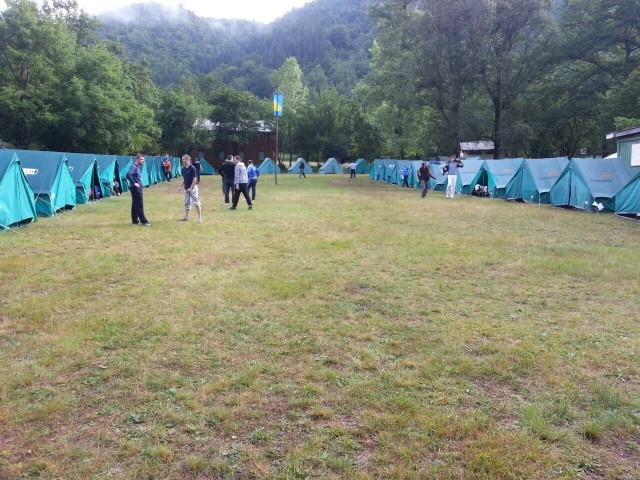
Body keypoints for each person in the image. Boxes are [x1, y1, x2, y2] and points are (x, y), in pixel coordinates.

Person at [126, 153, 151, 226]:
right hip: (136, 189)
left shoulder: (137, 167)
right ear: (137, 159)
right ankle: (144, 221)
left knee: (135, 205)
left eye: (143, 159)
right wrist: (134, 183)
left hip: (137, 188)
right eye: (142, 159)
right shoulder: (133, 166)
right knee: (139, 205)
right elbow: (128, 174)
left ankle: (135, 221)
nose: (143, 161)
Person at [177, 154, 203, 223]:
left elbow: (194, 179)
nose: (182, 160)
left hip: (193, 188)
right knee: (186, 203)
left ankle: (199, 218)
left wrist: (191, 188)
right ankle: (186, 217)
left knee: (196, 203)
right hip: (186, 189)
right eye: (182, 159)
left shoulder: (192, 168)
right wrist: (180, 186)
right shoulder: (183, 169)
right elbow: (184, 179)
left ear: (188, 159)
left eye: (183, 159)